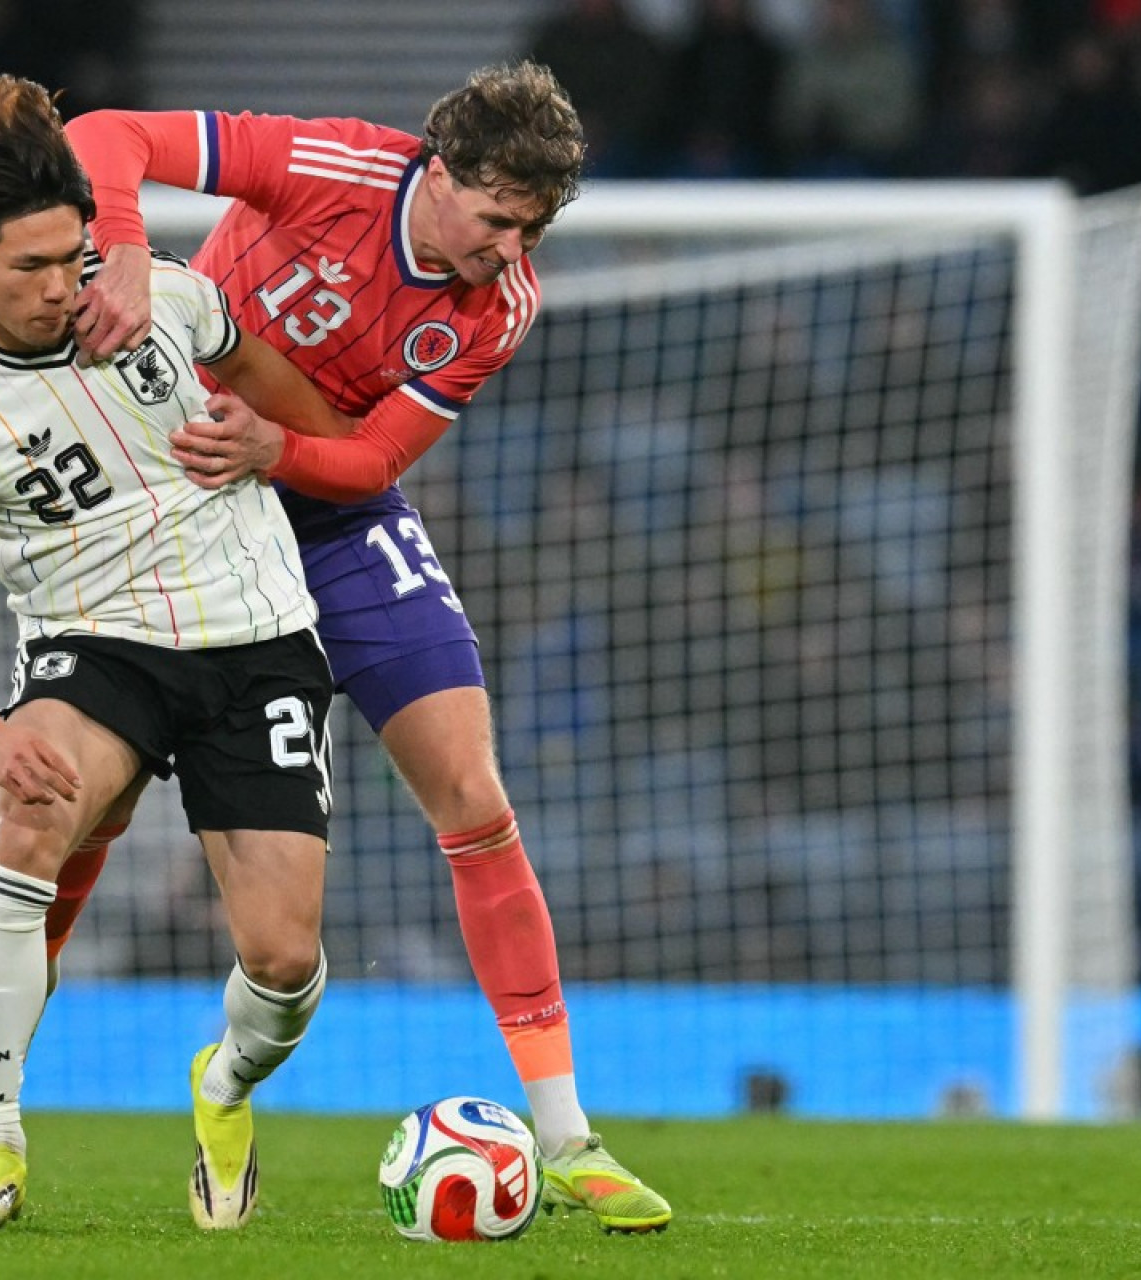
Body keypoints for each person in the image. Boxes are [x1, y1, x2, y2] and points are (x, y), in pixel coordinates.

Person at [47, 62, 673, 1232]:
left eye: (532, 229)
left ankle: (568, 1134)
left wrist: (276, 448)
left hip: (330, 510)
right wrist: (123, 250)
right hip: (186, 506)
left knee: (474, 793)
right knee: (95, 802)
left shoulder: (502, 305)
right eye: (497, 218)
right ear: (439, 173)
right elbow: (107, 134)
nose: (510, 250)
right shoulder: (327, 164)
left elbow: (375, 460)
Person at [0, 74, 348, 1231]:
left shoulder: (159, 296)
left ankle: (224, 1083)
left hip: (258, 633)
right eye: (29, 267)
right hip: (95, 645)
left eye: (74, 257)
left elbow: (296, 407)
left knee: (283, 959)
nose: (62, 287)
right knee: (29, 815)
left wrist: (273, 442)